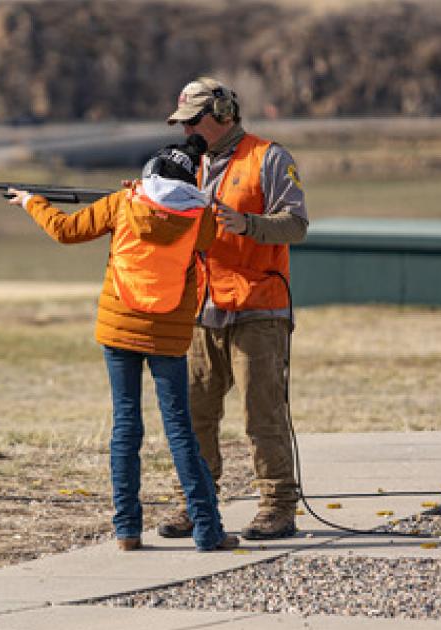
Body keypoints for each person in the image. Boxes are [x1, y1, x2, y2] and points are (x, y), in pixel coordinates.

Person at [7, 135, 238, 552]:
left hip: (118, 329)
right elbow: (202, 238)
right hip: (167, 335)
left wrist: (31, 201)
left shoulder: (122, 202)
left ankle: (127, 531)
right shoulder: (199, 218)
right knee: (180, 432)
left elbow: (65, 230)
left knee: (125, 427)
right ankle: (207, 530)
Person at [156, 77, 309, 541]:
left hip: (259, 307)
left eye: (194, 121)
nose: (187, 132)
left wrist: (247, 224)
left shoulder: (270, 157)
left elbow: (296, 224)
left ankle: (278, 507)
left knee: (261, 415)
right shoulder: (186, 164)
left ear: (223, 114)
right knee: (195, 414)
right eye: (182, 123)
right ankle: (196, 505)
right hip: (203, 307)